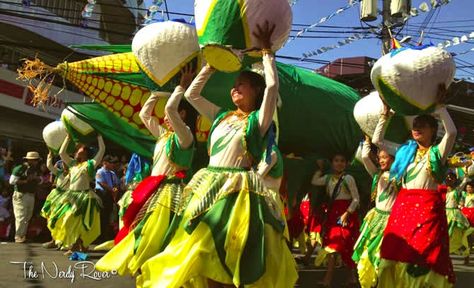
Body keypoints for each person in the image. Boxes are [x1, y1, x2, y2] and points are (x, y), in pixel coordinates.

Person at [138, 21, 297, 288]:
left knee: (226, 254)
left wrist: (269, 54)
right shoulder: (221, 115)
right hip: (208, 185)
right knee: (201, 247)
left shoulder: (258, 121)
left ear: (255, 91)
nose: (235, 88)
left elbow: (272, 89)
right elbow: (192, 94)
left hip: (237, 192)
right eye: (234, 84)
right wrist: (211, 63)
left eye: (243, 84)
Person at [95, 66, 196, 276]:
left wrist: (181, 87)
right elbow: (145, 115)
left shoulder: (185, 137)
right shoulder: (163, 136)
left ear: (183, 114)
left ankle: (153, 270)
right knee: (142, 228)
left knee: (159, 232)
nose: (167, 117)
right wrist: (155, 93)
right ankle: (145, 269)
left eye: (176, 113)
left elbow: (169, 110)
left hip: (170, 191)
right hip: (154, 188)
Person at [378, 85, 457, 287]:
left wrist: (440, 108)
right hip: (403, 208)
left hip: (428, 211)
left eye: (422, 124)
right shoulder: (405, 152)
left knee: (425, 253)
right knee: (397, 251)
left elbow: (452, 133)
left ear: (433, 129)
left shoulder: (437, 152)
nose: (416, 128)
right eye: (415, 124)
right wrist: (384, 116)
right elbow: (378, 140)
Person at [352, 132, 398, 287]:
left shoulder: (399, 176)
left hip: (391, 221)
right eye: (379, 158)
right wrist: (367, 141)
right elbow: (365, 157)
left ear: (393, 158)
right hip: (375, 218)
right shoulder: (377, 175)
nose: (381, 160)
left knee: (383, 257)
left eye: (384, 157)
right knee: (369, 253)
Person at [312, 154, 360, 287]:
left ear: (346, 164)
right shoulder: (328, 178)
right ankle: (333, 279)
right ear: (332, 163)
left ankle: (348, 278)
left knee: (346, 246)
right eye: (336, 161)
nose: (339, 163)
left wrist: (347, 214)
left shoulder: (348, 178)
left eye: (342, 161)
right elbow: (315, 181)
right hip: (333, 215)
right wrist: (320, 168)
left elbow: (356, 199)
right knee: (333, 247)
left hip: (346, 215)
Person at [51, 135, 105, 254]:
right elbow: (61, 152)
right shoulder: (72, 164)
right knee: (68, 220)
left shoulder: (90, 164)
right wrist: (68, 137)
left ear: (85, 153)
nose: (77, 151)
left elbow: (102, 150)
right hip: (71, 197)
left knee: (81, 223)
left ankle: (81, 246)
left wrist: (99, 137)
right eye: (76, 150)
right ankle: (75, 245)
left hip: (85, 197)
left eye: (80, 149)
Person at [9, 151, 42, 243]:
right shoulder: (19, 168)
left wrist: (37, 179)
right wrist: (26, 181)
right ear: (29, 160)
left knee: (27, 216)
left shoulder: (35, 169)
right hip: (21, 195)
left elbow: (40, 180)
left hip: (31, 195)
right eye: (34, 160)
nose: (36, 162)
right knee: (21, 216)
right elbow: (12, 181)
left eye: (36, 160)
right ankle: (18, 236)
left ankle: (22, 235)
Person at [41, 152, 70, 249]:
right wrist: (49, 154)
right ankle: (54, 240)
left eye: (66, 163)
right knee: (52, 218)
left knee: (64, 220)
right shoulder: (59, 173)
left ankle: (63, 242)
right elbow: (49, 165)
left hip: (67, 198)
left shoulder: (74, 174)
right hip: (56, 197)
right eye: (63, 163)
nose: (64, 164)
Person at [444, 171, 472, 256]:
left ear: (455, 179)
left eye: (452, 177)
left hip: (454, 214)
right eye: (448, 177)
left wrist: (466, 174)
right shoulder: (441, 189)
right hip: (444, 212)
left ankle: (460, 246)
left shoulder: (457, 190)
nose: (449, 179)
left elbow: (464, 182)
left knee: (454, 232)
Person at [95, 155, 121, 242]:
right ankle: (100, 237)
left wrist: (115, 190)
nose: (112, 165)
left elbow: (116, 184)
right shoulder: (100, 172)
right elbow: (102, 183)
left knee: (108, 216)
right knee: (101, 216)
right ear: (105, 163)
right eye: (111, 163)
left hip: (110, 196)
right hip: (102, 195)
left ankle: (106, 235)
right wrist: (112, 189)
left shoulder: (112, 173)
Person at [461, 181, 474, 264]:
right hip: (465, 214)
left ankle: (467, 255)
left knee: (469, 236)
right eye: (467, 187)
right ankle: (466, 255)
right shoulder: (464, 195)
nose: (468, 188)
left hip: (472, 215)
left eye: (470, 187)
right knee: (463, 235)